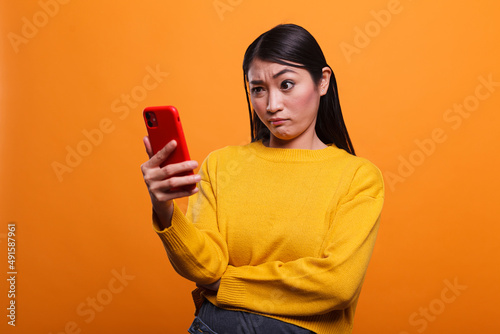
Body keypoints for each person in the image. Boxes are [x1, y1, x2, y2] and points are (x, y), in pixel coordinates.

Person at [141, 24, 384, 334]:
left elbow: (336, 285)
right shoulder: (220, 165)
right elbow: (205, 267)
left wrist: (224, 285)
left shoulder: (358, 177)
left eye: (286, 84)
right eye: (258, 89)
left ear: (322, 81)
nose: (271, 106)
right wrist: (164, 211)